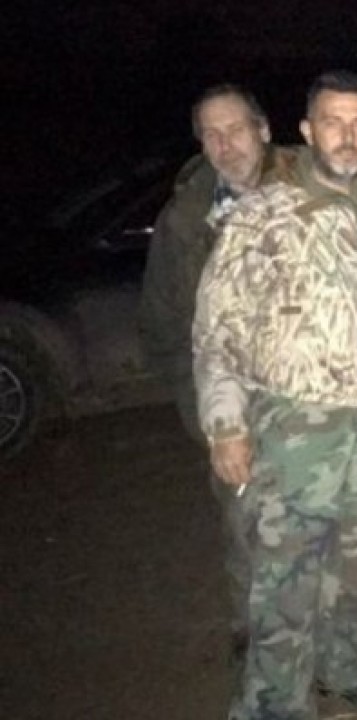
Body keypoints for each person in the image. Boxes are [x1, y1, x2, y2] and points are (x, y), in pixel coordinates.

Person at [193, 70, 357, 719]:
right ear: (305, 130)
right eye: (332, 121)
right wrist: (226, 424)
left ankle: (343, 665)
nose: (346, 135)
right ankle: (273, 703)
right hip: (298, 425)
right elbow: (217, 331)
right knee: (287, 576)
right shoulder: (262, 213)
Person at [138, 83, 280, 661]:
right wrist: (208, 420)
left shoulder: (311, 189)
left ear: (263, 130)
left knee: (320, 525)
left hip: (312, 400)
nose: (226, 145)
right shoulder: (185, 221)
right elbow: (164, 330)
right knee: (246, 523)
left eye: (236, 129)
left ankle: (320, 641)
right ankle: (253, 636)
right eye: (211, 135)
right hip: (233, 403)